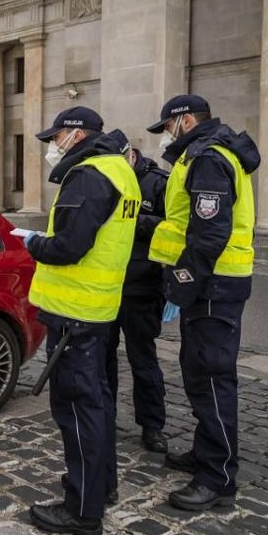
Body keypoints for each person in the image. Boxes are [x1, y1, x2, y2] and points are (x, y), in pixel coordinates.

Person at [22, 107, 141, 535]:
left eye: (55, 138)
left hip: (76, 313)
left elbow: (69, 246)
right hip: (97, 308)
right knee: (98, 404)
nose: (53, 147)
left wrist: (34, 242)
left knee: (77, 411)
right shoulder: (120, 169)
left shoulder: (90, 173)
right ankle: (99, 486)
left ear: (74, 134)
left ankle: (83, 511)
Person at [145, 95, 260, 511]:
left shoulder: (208, 158)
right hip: (211, 285)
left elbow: (209, 232)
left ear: (185, 120)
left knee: (211, 379)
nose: (164, 138)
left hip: (214, 285)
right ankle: (206, 453)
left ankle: (218, 477)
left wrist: (181, 283)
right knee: (198, 375)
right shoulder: (203, 155)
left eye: (167, 128)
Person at [103, 134, 171, 454]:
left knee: (143, 360)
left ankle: (152, 425)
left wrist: (133, 220)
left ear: (130, 156)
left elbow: (173, 227)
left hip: (142, 287)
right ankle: (104, 417)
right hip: (107, 285)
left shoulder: (157, 183)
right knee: (103, 359)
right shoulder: (106, 179)